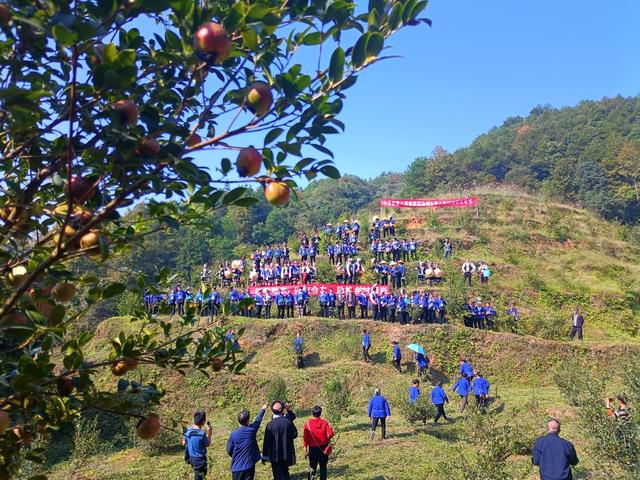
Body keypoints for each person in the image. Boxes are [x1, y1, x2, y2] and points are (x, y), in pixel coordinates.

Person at [227, 403, 268, 480]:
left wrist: (236, 455)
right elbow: (258, 420)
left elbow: (229, 450)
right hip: (249, 466)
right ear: (248, 420)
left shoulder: (233, 434)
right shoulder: (251, 430)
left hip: (236, 468)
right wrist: (263, 409)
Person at [262, 401, 298, 480]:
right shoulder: (288, 421)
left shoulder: (270, 425)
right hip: (286, 452)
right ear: (282, 409)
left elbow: (266, 442)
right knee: (285, 472)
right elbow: (295, 434)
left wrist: (264, 456)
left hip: (275, 455)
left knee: (277, 474)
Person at [302, 406, 335, 480]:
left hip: (313, 449)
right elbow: (331, 434)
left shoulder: (307, 424)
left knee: (312, 468)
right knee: (323, 468)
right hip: (323, 448)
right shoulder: (324, 422)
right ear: (320, 413)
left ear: (312, 413)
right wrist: (326, 440)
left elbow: (305, 438)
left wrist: (305, 449)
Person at [183, 410, 213, 480]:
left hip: (191, 457)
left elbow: (184, 443)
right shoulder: (201, 434)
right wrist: (209, 434)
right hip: (200, 460)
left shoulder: (188, 430)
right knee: (200, 477)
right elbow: (208, 444)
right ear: (203, 422)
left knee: (197, 474)